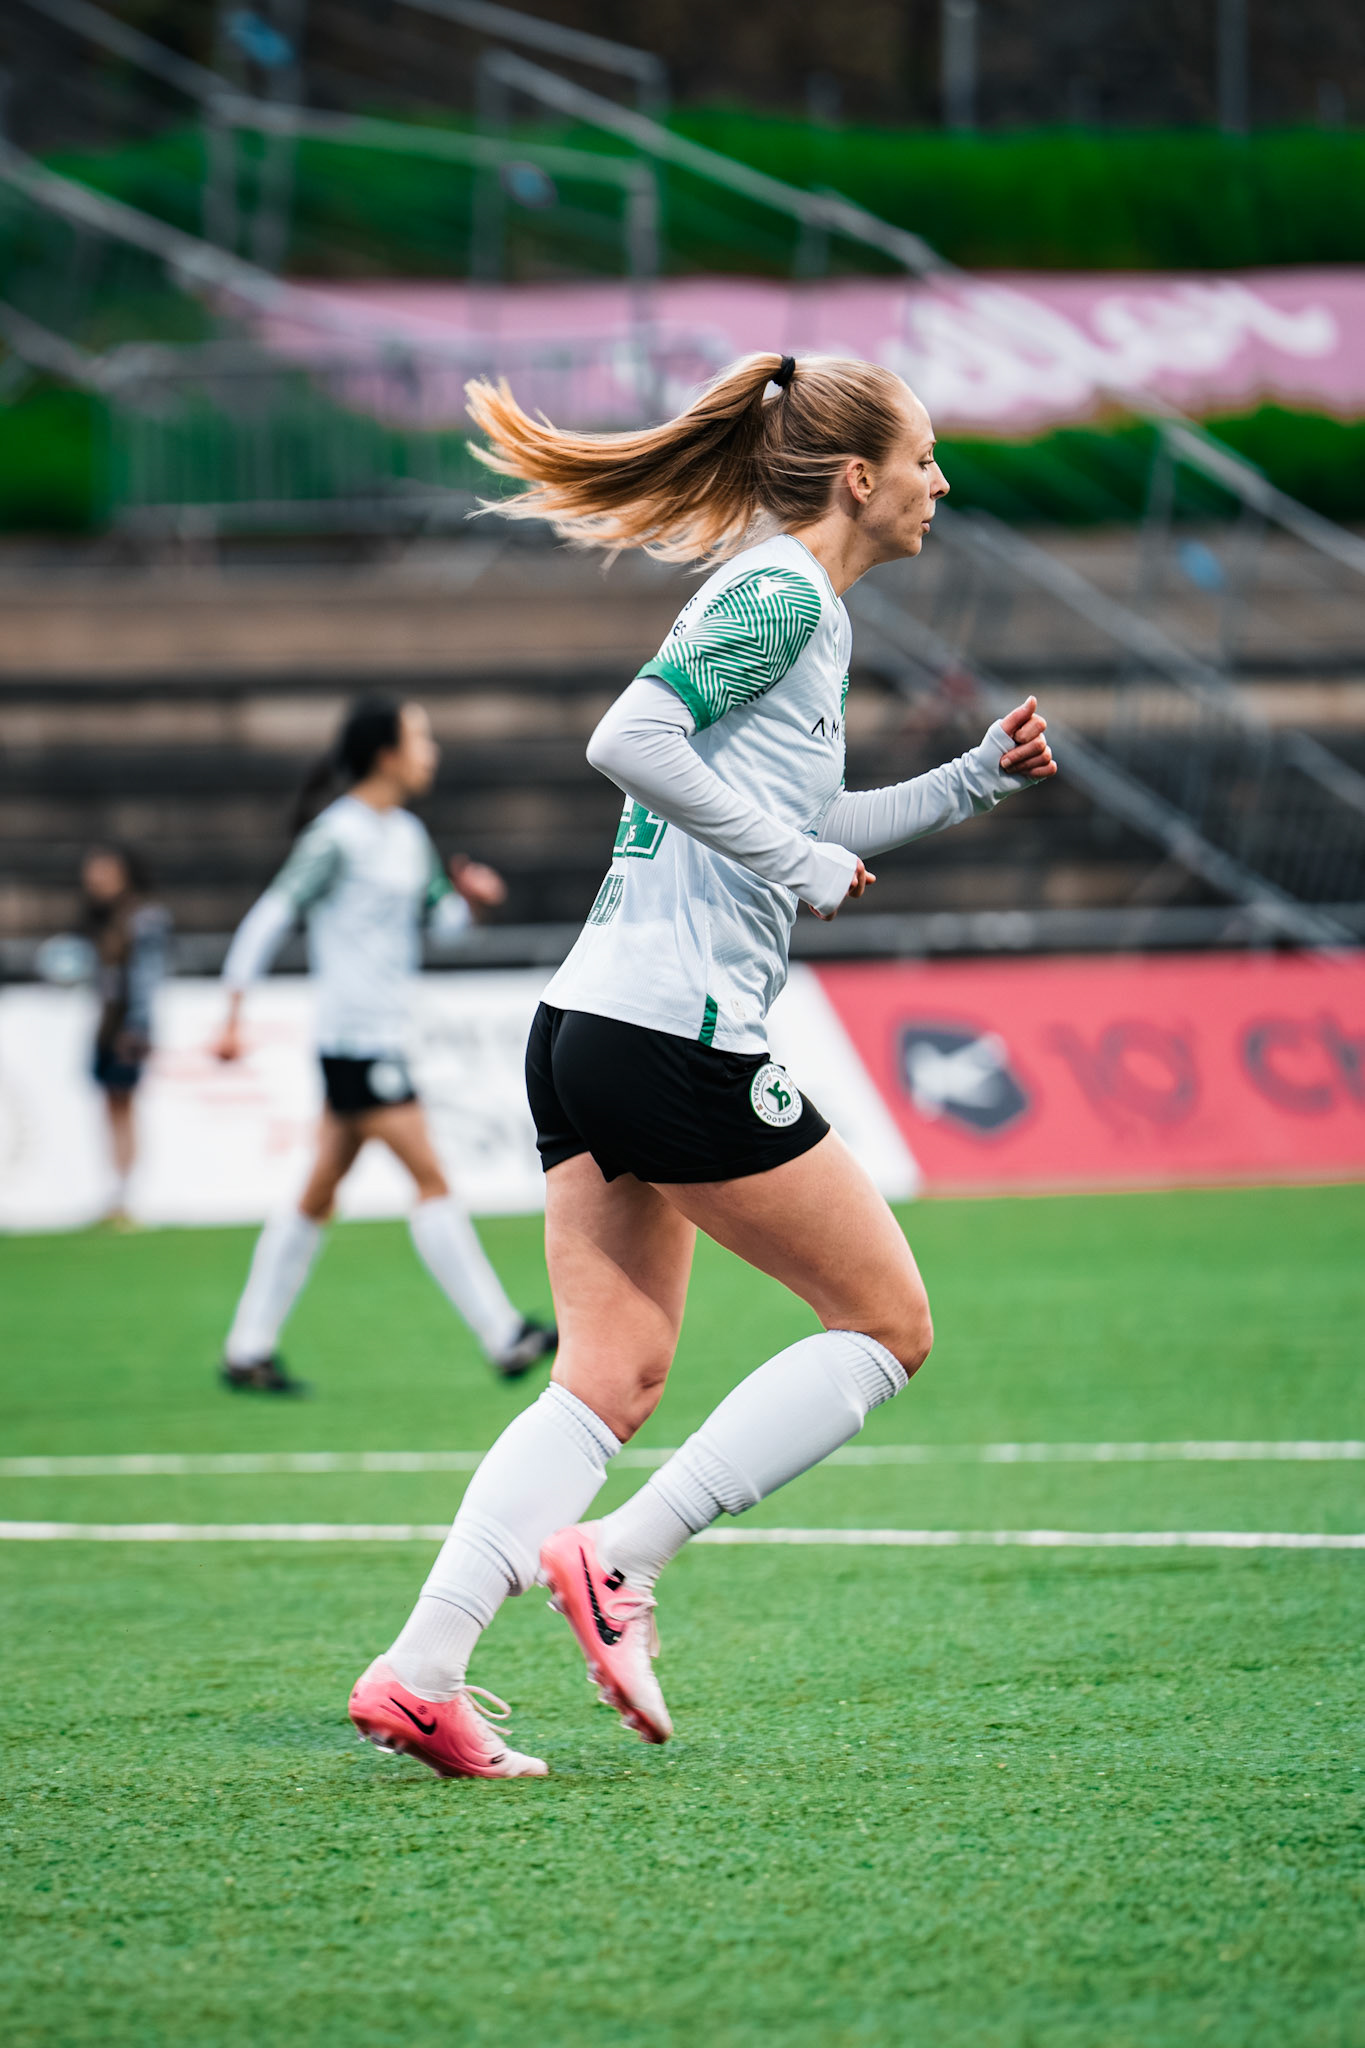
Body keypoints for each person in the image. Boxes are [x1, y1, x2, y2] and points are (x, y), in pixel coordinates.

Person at [347, 352, 1057, 1778]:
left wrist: (969, 777)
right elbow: (633, 739)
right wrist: (793, 858)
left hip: (591, 1027)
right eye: (924, 457)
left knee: (604, 1379)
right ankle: (623, 1556)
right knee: (887, 1324)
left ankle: (423, 1670)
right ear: (856, 475)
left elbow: (809, 811)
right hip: (671, 1033)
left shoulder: (802, 610)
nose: (941, 482)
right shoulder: (785, 590)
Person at [213, 693, 557, 1394]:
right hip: (354, 1043)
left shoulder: (405, 836)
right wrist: (233, 1010)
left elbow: (445, 923)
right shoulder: (336, 837)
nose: (430, 752)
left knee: (317, 1193)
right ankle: (502, 1334)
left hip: (377, 1040)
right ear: (385, 754)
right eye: (420, 738)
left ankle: (246, 1349)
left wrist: (471, 899)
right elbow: (269, 917)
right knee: (428, 1178)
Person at [81, 845, 170, 1227]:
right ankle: (117, 1192)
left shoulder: (143, 917)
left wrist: (137, 1028)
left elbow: (147, 979)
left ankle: (127, 1194)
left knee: (124, 1106)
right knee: (111, 1107)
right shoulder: (101, 918)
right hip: (107, 1026)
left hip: (125, 1029)